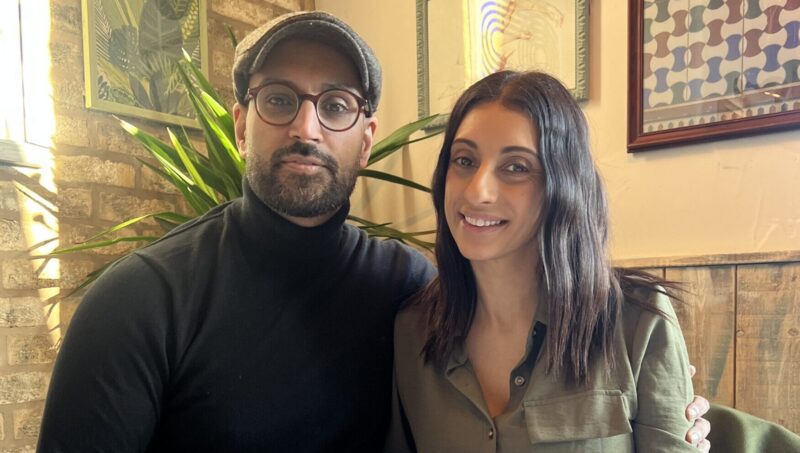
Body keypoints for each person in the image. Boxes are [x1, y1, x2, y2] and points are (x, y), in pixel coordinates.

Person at [37, 11, 710, 453]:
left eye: (334, 105)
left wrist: (685, 423)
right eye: (279, 99)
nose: (305, 127)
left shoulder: (410, 294)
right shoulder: (138, 305)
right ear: (241, 123)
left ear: (365, 139)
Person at [386, 70, 710, 452]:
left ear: (562, 185)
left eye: (516, 167)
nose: (478, 191)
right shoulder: (413, 331)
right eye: (464, 160)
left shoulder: (637, 320)